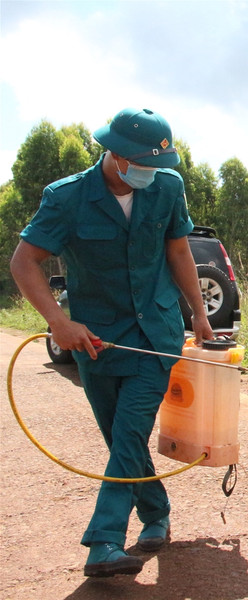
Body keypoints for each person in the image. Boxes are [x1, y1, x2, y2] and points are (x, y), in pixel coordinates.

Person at [9, 108, 215, 577]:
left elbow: (178, 249)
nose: (152, 171)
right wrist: (58, 321)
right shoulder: (67, 198)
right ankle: (156, 512)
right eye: (144, 163)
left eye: (159, 163)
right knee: (122, 439)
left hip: (156, 335)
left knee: (128, 433)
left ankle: (104, 541)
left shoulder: (167, 187)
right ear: (117, 155)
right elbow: (24, 262)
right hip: (97, 341)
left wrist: (199, 313)